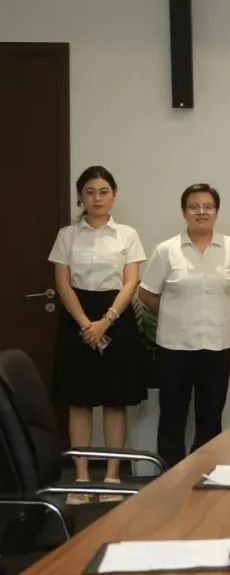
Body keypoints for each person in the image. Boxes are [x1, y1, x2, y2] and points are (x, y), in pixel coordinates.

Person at [48, 166, 145, 503]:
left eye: (103, 191)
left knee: (115, 401)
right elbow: (62, 283)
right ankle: (81, 478)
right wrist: (85, 323)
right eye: (90, 192)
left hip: (116, 315)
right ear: (81, 197)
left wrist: (105, 321)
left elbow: (131, 281)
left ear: (113, 195)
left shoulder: (127, 235)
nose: (97, 198)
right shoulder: (67, 235)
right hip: (77, 316)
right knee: (80, 401)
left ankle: (113, 477)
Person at [138, 184, 230, 469]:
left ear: (217, 212)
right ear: (184, 212)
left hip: (217, 345)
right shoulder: (166, 250)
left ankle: (204, 474)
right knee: (172, 417)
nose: (201, 212)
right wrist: (175, 314)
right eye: (194, 207)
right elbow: (146, 293)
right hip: (174, 347)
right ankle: (169, 478)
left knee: (210, 418)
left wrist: (219, 312)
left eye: (208, 206)